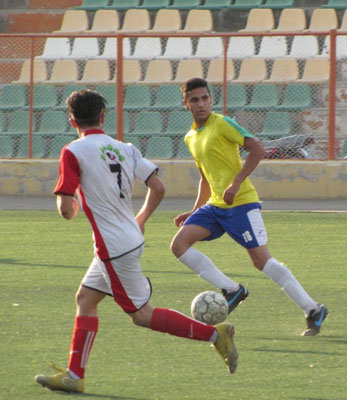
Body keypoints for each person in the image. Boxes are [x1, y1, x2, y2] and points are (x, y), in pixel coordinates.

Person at [35, 90, 237, 394]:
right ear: (103, 117)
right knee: (85, 300)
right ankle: (74, 376)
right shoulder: (124, 148)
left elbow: (66, 211)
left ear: (72, 120)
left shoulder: (73, 152)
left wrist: (74, 206)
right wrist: (139, 219)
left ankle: (215, 335)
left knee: (142, 316)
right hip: (129, 238)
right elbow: (158, 187)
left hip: (113, 248)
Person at [170, 78, 327, 336]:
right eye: (195, 100)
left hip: (241, 203)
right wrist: (194, 210)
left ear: (211, 99)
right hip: (215, 206)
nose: (201, 104)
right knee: (179, 245)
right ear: (185, 104)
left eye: (205, 98)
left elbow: (257, 150)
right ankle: (232, 290)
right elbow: (206, 177)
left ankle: (313, 309)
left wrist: (236, 183)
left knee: (262, 261)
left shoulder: (222, 124)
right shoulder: (190, 137)